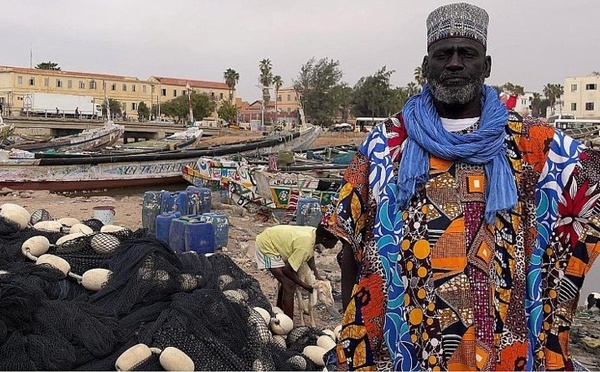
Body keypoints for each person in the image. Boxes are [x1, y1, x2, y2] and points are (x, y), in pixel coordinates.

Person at [326, 3, 600, 370]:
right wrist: (357, 338)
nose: (454, 63)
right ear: (426, 66)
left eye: (467, 53)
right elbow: (350, 247)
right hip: (408, 346)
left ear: (485, 65)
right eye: (443, 54)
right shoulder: (386, 144)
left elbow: (590, 181)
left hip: (502, 348)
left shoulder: (535, 143)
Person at [254, 224, 338, 318]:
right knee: (289, 285)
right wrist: (305, 286)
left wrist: (317, 275)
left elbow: (310, 256)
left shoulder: (314, 234)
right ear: (324, 240)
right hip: (266, 245)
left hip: (274, 239)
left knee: (285, 282)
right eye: (334, 242)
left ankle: (279, 310)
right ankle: (289, 322)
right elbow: (287, 270)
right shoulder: (305, 246)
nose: (334, 245)